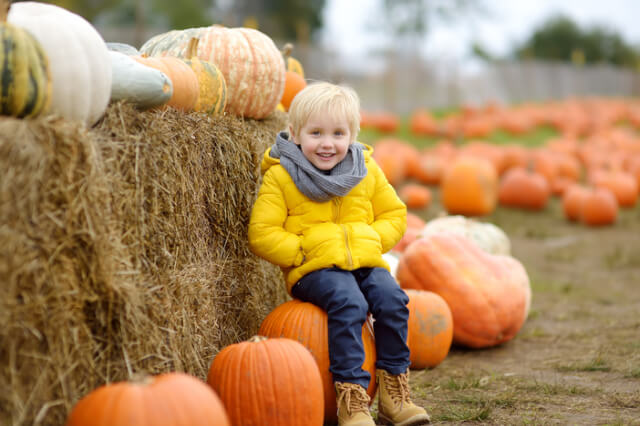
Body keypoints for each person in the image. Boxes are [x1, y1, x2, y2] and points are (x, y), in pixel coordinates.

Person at [249, 81, 430, 426]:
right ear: (295, 133)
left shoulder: (366, 171)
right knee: (350, 303)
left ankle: (394, 395)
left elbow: (395, 213)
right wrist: (302, 250)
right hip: (315, 269)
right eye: (316, 133)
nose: (327, 143)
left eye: (337, 133)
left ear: (352, 135)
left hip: (364, 259)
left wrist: (371, 241)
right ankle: (352, 401)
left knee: (393, 299)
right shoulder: (281, 177)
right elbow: (262, 233)